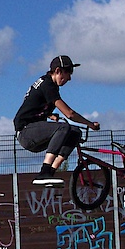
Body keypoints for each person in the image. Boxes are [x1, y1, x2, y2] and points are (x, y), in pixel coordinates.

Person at [14, 55, 100, 185]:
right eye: (68, 74)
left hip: (34, 131)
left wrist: (50, 115)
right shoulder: (47, 84)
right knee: (63, 127)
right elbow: (69, 114)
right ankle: (44, 171)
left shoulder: (48, 85)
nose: (69, 78)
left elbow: (33, 105)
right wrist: (90, 124)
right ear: (58, 71)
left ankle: (51, 172)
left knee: (75, 132)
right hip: (26, 133)